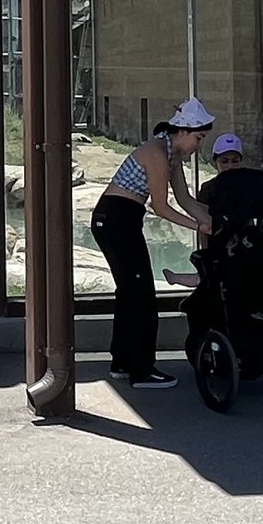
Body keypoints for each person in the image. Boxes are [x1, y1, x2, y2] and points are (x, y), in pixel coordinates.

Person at [93, 99, 216, 392]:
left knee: (129, 293)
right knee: (142, 295)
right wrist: (199, 227)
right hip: (116, 218)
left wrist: (215, 219)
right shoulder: (158, 153)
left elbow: (185, 199)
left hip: (121, 219)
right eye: (198, 138)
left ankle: (122, 362)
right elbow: (161, 207)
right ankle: (142, 370)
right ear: (184, 131)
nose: (199, 145)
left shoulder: (171, 155)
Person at [195, 131, 263, 235]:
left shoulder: (252, 186)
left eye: (234, 161)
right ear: (215, 161)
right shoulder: (208, 189)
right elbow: (202, 225)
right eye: (224, 161)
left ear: (240, 161)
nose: (230, 166)